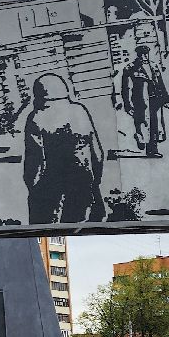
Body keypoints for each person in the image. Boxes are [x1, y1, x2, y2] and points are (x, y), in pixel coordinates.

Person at [22, 73, 105, 224]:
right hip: (84, 184)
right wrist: (95, 182)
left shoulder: (36, 118)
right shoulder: (80, 111)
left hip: (51, 192)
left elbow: (35, 164)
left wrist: (33, 191)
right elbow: (97, 154)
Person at [120, 44, 169, 157]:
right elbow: (126, 88)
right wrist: (128, 105)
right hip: (141, 102)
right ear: (138, 55)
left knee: (155, 125)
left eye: (146, 54)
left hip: (155, 99)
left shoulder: (154, 66)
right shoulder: (130, 68)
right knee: (144, 124)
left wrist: (166, 99)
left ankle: (153, 150)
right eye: (141, 54)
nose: (144, 57)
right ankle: (140, 138)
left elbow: (161, 84)